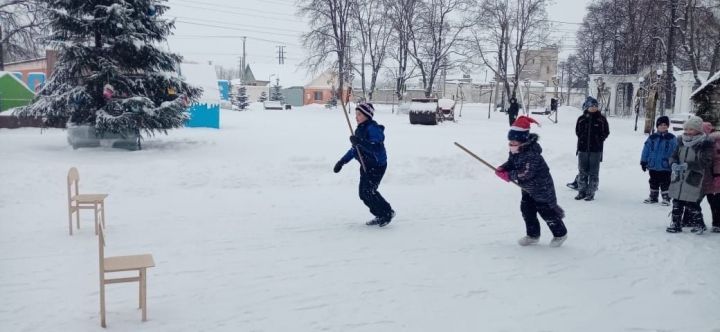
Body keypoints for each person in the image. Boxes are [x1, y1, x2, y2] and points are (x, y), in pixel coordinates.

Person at [495, 116, 568, 247]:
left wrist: (508, 176)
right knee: (527, 210)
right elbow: (512, 163)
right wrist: (504, 167)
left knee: (547, 212)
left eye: (513, 143)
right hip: (528, 188)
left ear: (523, 141)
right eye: (509, 142)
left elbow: (525, 173)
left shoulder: (531, 154)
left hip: (541, 188)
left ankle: (560, 234)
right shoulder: (516, 150)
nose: (511, 145)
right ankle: (533, 235)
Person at [333, 103, 395, 227]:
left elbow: (376, 147)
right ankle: (379, 214)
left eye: (359, 114)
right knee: (363, 193)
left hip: (377, 165)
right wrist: (342, 162)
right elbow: (355, 150)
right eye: (356, 114)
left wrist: (360, 142)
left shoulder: (373, 128)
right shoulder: (359, 130)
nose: (356, 117)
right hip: (366, 165)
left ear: (367, 115)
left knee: (369, 191)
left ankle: (387, 213)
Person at [666, 116, 713, 234]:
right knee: (677, 201)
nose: (687, 132)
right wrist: (673, 164)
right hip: (679, 176)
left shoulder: (704, 144)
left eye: (691, 129)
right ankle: (675, 223)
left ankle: (699, 224)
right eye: (686, 129)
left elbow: (706, 162)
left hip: (693, 177)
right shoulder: (681, 141)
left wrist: (688, 165)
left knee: (691, 202)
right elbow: (673, 155)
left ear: (698, 130)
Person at [574, 96, 610, 201]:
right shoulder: (581, 119)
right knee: (582, 171)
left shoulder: (601, 119)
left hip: (596, 150)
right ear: (587, 106)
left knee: (593, 172)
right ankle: (581, 191)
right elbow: (577, 131)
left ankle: (591, 192)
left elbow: (606, 132)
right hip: (582, 149)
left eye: (595, 106)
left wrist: (599, 139)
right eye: (591, 105)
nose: (594, 107)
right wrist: (582, 138)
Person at [640, 116, 676, 205]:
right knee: (653, 181)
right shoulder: (652, 138)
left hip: (665, 166)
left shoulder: (671, 138)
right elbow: (646, 149)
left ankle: (666, 198)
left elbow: (676, 151)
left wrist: (675, 162)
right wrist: (643, 161)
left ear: (668, 126)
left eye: (665, 125)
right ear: (657, 126)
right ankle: (653, 197)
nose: (663, 126)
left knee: (665, 182)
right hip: (653, 165)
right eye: (660, 125)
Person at [701, 122, 720, 233]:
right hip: (705, 176)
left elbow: (717, 159)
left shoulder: (715, 142)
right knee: (710, 200)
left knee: (716, 201)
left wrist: (717, 173)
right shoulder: (702, 142)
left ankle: (717, 223)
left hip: (715, 175)